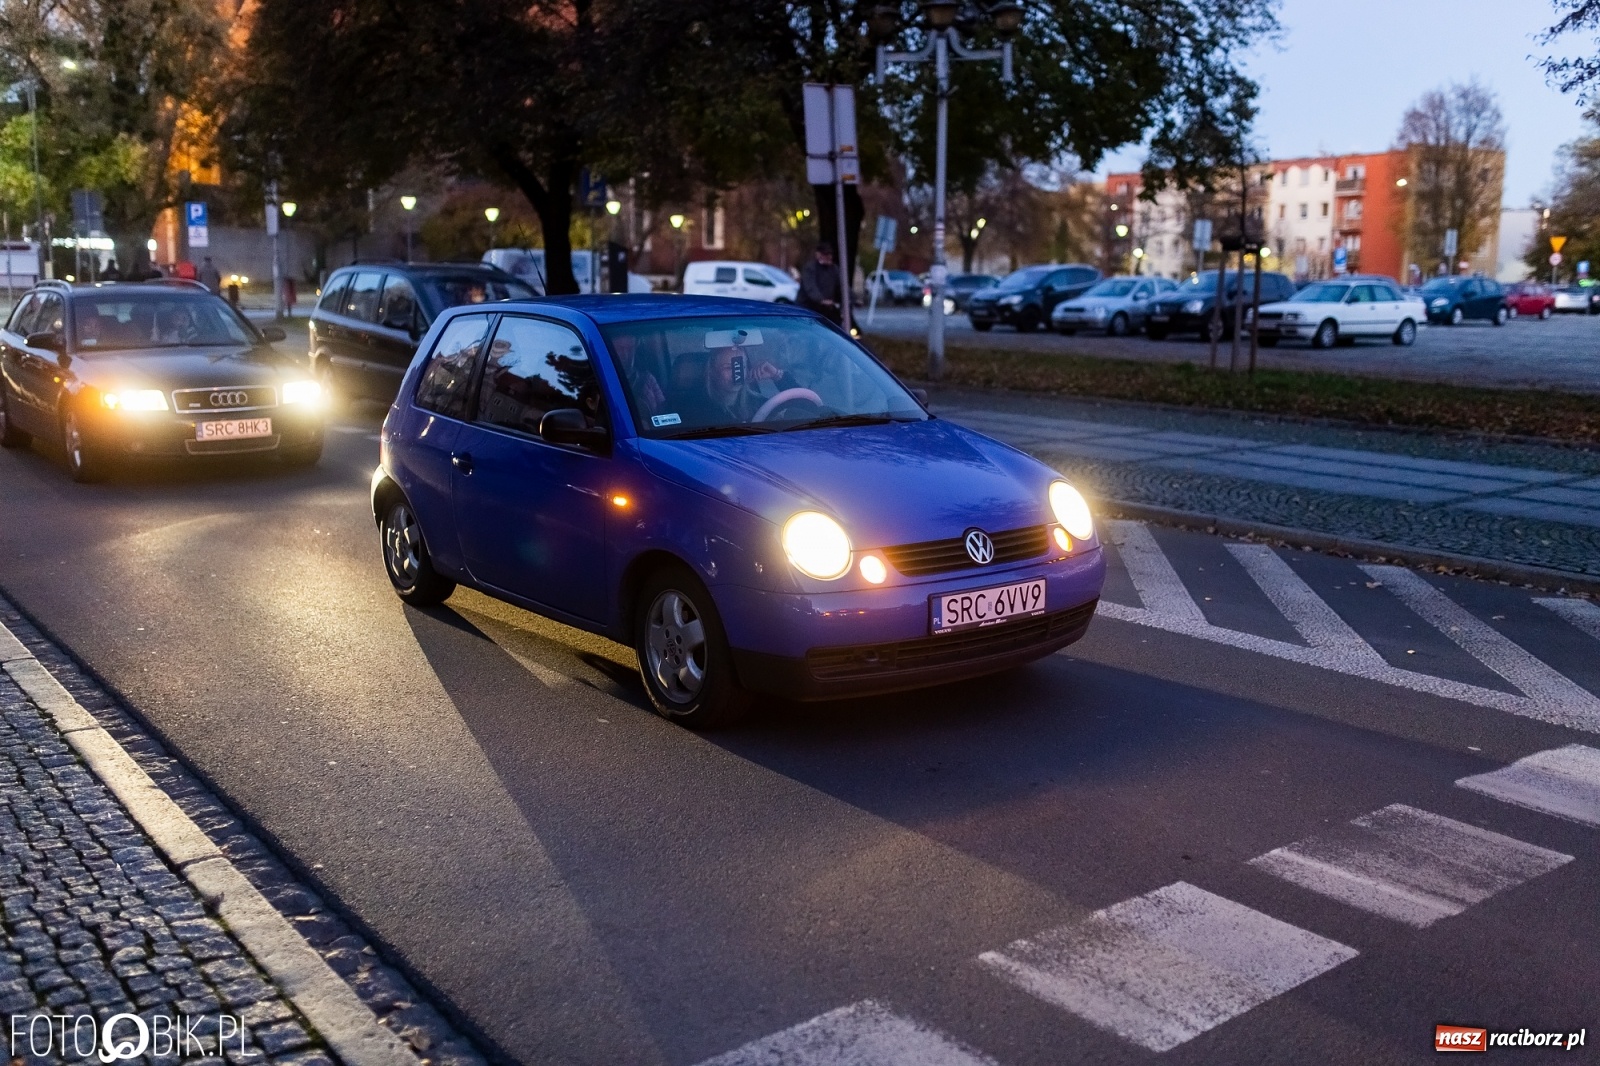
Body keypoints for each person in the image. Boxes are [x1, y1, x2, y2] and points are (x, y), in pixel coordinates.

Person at [689, 344, 795, 425]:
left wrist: (777, 375)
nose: (736, 374)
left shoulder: (758, 404)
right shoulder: (696, 409)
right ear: (711, 372)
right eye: (728, 367)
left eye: (741, 367)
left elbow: (801, 406)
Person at [610, 333, 667, 417]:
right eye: (620, 349)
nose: (625, 354)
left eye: (629, 349)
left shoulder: (648, 379)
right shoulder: (606, 380)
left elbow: (663, 409)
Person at [800, 243, 842, 325]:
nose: (828, 256)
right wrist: (821, 300)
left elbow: (842, 286)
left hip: (825, 309)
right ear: (818, 254)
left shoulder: (834, 269)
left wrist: (853, 298)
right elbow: (810, 287)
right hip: (808, 307)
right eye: (825, 254)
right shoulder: (810, 268)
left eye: (830, 254)